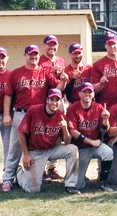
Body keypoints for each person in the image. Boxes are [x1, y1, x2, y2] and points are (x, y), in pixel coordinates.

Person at [2, 44, 68, 192]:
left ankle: (38, 174)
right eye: (30, 54)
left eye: (36, 54)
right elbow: (8, 95)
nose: (33, 57)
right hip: (21, 113)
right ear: (25, 56)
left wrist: (63, 81)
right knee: (15, 148)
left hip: (39, 115)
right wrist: (7, 114)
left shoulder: (44, 73)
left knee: (39, 145)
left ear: (39, 56)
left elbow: (56, 90)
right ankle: (8, 179)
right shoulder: (17, 73)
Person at [16, 88, 80, 194]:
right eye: (52, 99)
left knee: (73, 149)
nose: (54, 103)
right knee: (33, 190)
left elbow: (68, 141)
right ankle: (18, 172)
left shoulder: (60, 115)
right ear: (47, 100)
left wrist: (65, 130)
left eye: (57, 100)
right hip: (35, 151)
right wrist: (26, 154)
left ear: (60, 102)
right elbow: (21, 132)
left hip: (51, 149)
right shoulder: (34, 110)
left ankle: (71, 185)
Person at [66, 82, 114, 192]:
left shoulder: (99, 107)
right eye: (85, 92)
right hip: (81, 148)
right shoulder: (73, 108)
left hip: (95, 145)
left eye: (90, 92)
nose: (87, 94)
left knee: (108, 152)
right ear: (79, 94)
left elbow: (104, 130)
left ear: (93, 94)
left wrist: (106, 120)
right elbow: (73, 131)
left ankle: (103, 183)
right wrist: (91, 142)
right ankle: (75, 176)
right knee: (79, 185)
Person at [39, 34, 68, 179]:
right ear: (45, 46)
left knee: (57, 131)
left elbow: (63, 83)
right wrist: (48, 72)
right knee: (42, 133)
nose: (52, 47)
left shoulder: (61, 60)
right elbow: (37, 81)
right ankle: (42, 167)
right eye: (49, 44)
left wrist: (65, 79)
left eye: (54, 44)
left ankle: (53, 168)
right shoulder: (40, 61)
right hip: (44, 100)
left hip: (59, 100)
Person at [91, 32, 117, 109]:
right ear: (105, 46)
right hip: (106, 105)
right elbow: (93, 89)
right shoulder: (98, 64)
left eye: (114, 44)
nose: (112, 46)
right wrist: (100, 84)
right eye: (109, 44)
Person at [0, 47, 11, 168]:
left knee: (9, 146)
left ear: (7, 59)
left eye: (2, 57)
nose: (0, 60)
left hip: (6, 116)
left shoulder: (11, 75)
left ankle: (8, 174)